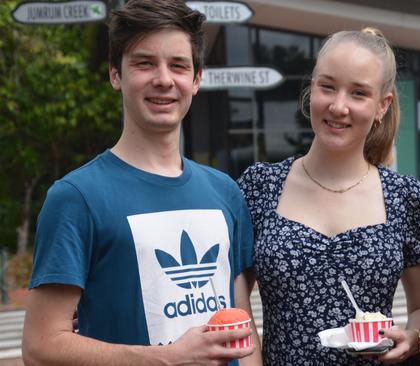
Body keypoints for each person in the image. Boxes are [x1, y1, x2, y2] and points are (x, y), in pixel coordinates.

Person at [22, 1, 261, 365]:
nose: (164, 79)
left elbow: (243, 331)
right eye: (144, 63)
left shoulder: (225, 192)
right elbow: (40, 348)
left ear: (196, 79)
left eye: (178, 65)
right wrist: (165, 359)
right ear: (116, 75)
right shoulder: (76, 197)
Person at [237, 28, 420, 365]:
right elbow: (239, 310)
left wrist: (412, 338)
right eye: (327, 87)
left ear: (382, 106)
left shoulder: (403, 196)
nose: (338, 106)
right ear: (311, 88)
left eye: (358, 93)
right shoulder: (260, 186)